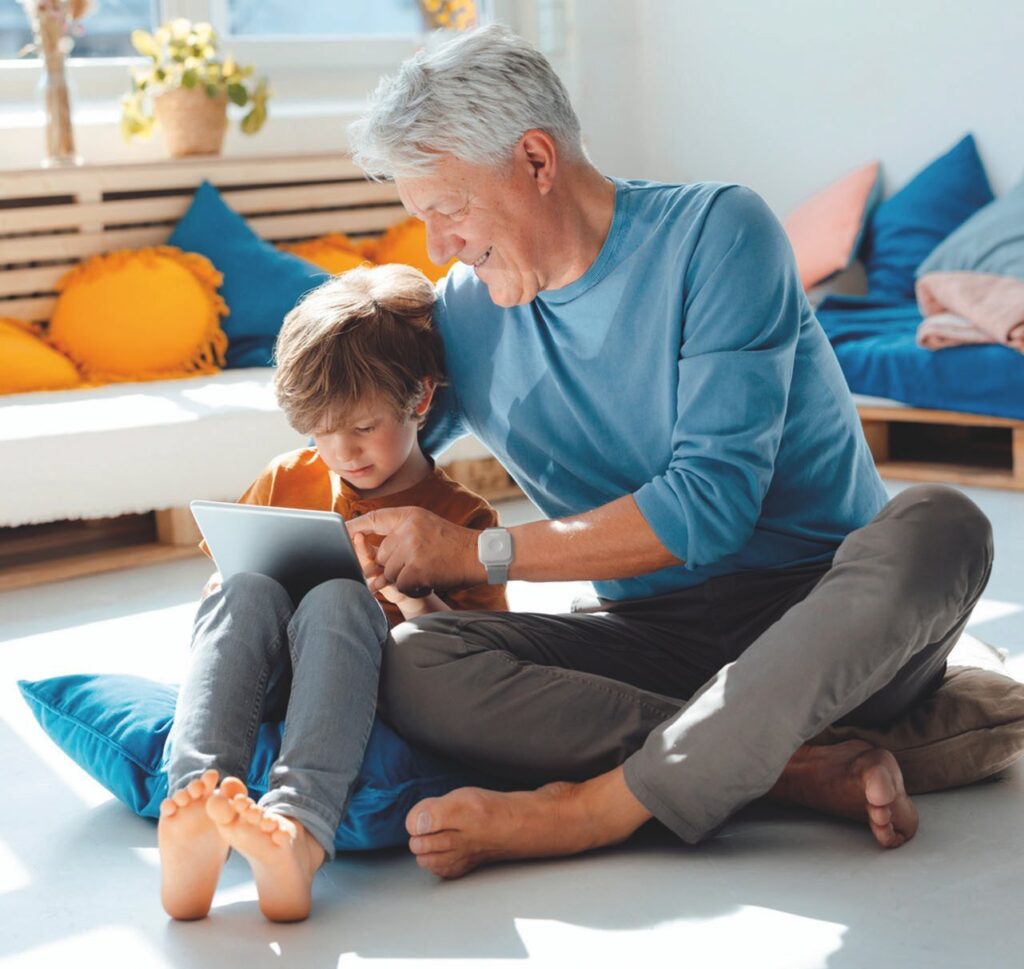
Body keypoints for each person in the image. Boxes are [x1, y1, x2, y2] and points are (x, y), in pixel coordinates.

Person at [344, 25, 994, 879]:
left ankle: (594, 808)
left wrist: (477, 552)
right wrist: (299, 550)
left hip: (823, 622)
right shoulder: (466, 310)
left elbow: (710, 507)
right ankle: (791, 769)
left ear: (536, 160)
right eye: (420, 218)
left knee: (944, 524)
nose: (437, 247)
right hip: (655, 640)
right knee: (418, 663)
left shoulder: (718, 233)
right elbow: (370, 453)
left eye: (448, 210)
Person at [156, 264, 507, 921]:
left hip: (366, 686)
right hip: (269, 676)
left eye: (363, 428)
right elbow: (224, 591)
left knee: (340, 599)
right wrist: (228, 586)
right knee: (243, 590)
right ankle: (197, 806)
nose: (342, 451)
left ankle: (298, 832)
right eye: (320, 430)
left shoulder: (462, 519)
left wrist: (411, 599)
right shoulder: (286, 477)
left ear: (420, 399)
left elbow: (486, 659)